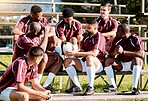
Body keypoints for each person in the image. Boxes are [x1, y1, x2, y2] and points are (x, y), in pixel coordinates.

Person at [64, 19, 106, 95]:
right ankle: (77, 86)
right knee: (67, 61)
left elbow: (94, 53)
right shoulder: (86, 37)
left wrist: (76, 53)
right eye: (86, 27)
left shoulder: (99, 37)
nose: (86, 29)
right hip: (85, 62)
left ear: (95, 29)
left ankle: (91, 86)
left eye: (89, 28)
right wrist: (72, 54)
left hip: (98, 64)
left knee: (89, 57)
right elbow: (82, 51)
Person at [103, 24, 144, 95]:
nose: (116, 33)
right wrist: (115, 52)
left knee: (137, 59)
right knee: (108, 61)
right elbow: (111, 54)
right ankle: (113, 86)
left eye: (118, 31)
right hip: (121, 63)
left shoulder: (135, 38)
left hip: (133, 64)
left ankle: (134, 87)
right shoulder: (116, 39)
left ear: (124, 33)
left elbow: (141, 54)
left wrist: (124, 52)